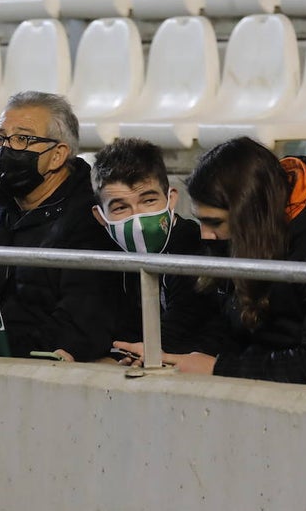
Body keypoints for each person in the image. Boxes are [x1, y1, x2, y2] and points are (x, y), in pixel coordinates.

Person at [117, 137, 306, 392]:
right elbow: (234, 328)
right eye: (200, 219)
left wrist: (217, 368)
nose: (204, 234)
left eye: (214, 222)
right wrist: (170, 354)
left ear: (250, 214)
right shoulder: (252, 240)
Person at [0, 91, 124, 361]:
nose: (6, 148)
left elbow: (83, 322)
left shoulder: (91, 216)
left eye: (22, 139)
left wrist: (12, 357)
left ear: (58, 155)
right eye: (0, 138)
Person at [91, 138, 225, 355]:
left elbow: (187, 319)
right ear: (100, 216)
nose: (138, 219)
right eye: (121, 207)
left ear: (170, 199)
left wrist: (144, 351)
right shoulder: (105, 255)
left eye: (149, 201)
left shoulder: (194, 244)